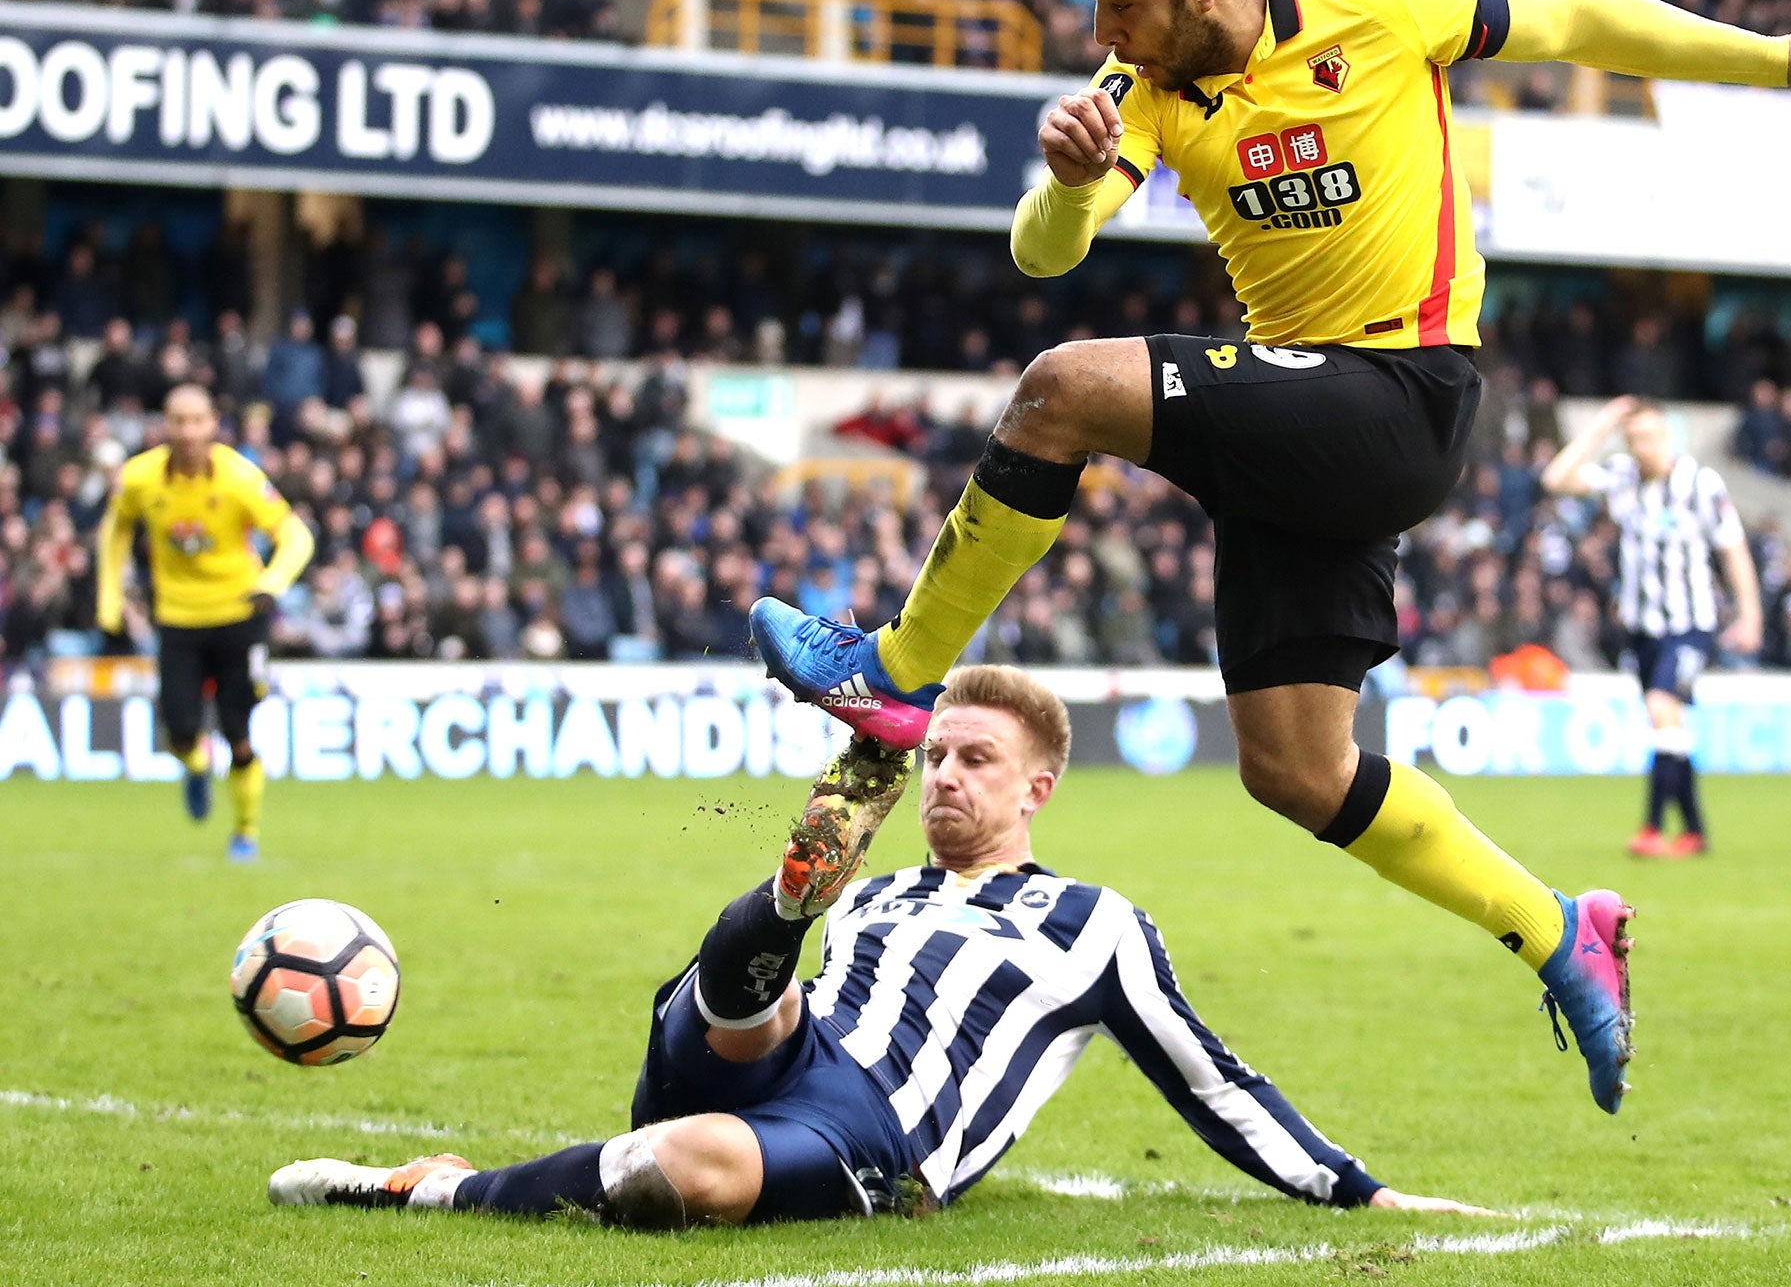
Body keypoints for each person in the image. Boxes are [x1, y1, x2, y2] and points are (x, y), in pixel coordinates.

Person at [748, 0, 1791, 1115]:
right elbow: (1045, 248)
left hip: (1400, 392)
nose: (1101, 34)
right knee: (1296, 770)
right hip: (1297, 420)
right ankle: (1558, 928)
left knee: (1058, 391)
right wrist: (1072, 177)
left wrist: (1775, 58)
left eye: (1118, 1)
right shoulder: (1132, 87)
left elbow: (1575, 17)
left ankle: (896, 672)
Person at [267, 667, 1488, 1225]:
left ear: (1037, 790)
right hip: (771, 1041)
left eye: (974, 762)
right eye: (936, 757)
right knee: (756, 977)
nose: (951, 781)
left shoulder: (1095, 927)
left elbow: (1214, 1080)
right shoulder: (883, 895)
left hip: (876, 1135)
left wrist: (1357, 1188)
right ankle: (801, 869)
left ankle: (433, 1187)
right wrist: (808, 920)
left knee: (678, 1169)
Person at [95, 385, 314, 861]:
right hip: (177, 618)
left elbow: (295, 535)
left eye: (198, 421)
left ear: (214, 423)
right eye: (179, 421)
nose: (189, 431)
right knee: (178, 732)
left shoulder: (239, 477)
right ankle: (196, 767)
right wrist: (109, 598)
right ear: (165, 425)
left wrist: (272, 582)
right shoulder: (139, 479)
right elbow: (114, 531)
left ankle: (245, 832)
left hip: (239, 613)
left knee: (239, 732)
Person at [1540, 397, 1763, 857]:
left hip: (1690, 624)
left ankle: (1651, 828)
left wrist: (1750, 614)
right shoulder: (1622, 477)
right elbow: (1555, 479)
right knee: (1669, 728)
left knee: (1663, 709)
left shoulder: (1701, 484)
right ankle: (1696, 831)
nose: (1642, 446)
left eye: (1650, 436)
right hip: (1642, 627)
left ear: (1669, 435)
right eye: (1634, 438)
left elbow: (1733, 550)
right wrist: (1600, 426)